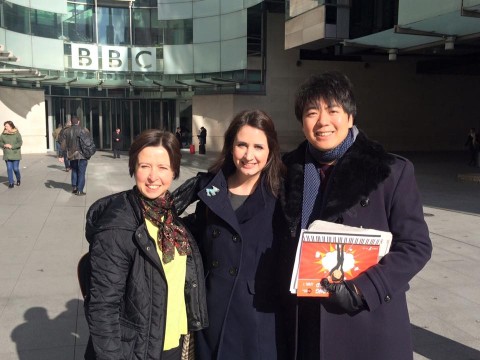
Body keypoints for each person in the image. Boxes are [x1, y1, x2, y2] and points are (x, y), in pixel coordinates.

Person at [276, 72, 433, 360]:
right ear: (302, 122)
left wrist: (364, 289)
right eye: (312, 113)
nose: (323, 122)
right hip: (304, 324)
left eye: (333, 111)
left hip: (365, 322)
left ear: (350, 117)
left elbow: (416, 246)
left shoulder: (389, 172)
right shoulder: (287, 171)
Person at [84, 129, 208, 360]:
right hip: (138, 351)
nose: (153, 177)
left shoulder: (170, 219)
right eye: (144, 166)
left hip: (175, 345)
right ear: (133, 168)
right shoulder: (117, 228)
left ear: (174, 171)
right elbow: (102, 308)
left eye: (163, 168)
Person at [173, 110, 286, 360]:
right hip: (210, 316)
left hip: (257, 321)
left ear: (270, 151)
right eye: (242, 145)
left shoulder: (282, 198)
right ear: (230, 146)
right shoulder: (211, 187)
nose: (249, 156)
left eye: (258, 147)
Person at [59, 116, 89, 195]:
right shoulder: (84, 130)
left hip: (72, 154)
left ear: (71, 122)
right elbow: (88, 142)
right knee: (81, 172)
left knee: (74, 170)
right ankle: (80, 190)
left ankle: (74, 187)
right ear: (78, 122)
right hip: (82, 154)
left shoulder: (66, 131)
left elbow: (63, 144)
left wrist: (61, 155)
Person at [0, 121, 23, 189]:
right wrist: (4, 145)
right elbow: (0, 142)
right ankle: (11, 183)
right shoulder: (3, 134)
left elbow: (20, 143)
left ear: (11, 126)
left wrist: (12, 146)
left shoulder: (17, 133)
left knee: (15, 169)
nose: (5, 127)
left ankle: (18, 179)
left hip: (15, 154)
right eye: (5, 126)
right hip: (7, 154)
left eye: (6, 126)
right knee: (9, 168)